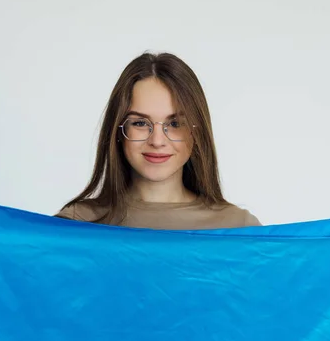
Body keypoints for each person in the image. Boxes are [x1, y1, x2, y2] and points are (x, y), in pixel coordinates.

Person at [57, 52, 260, 230]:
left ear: (197, 133)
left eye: (174, 124)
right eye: (139, 123)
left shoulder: (238, 229)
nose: (157, 141)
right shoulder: (76, 224)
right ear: (117, 130)